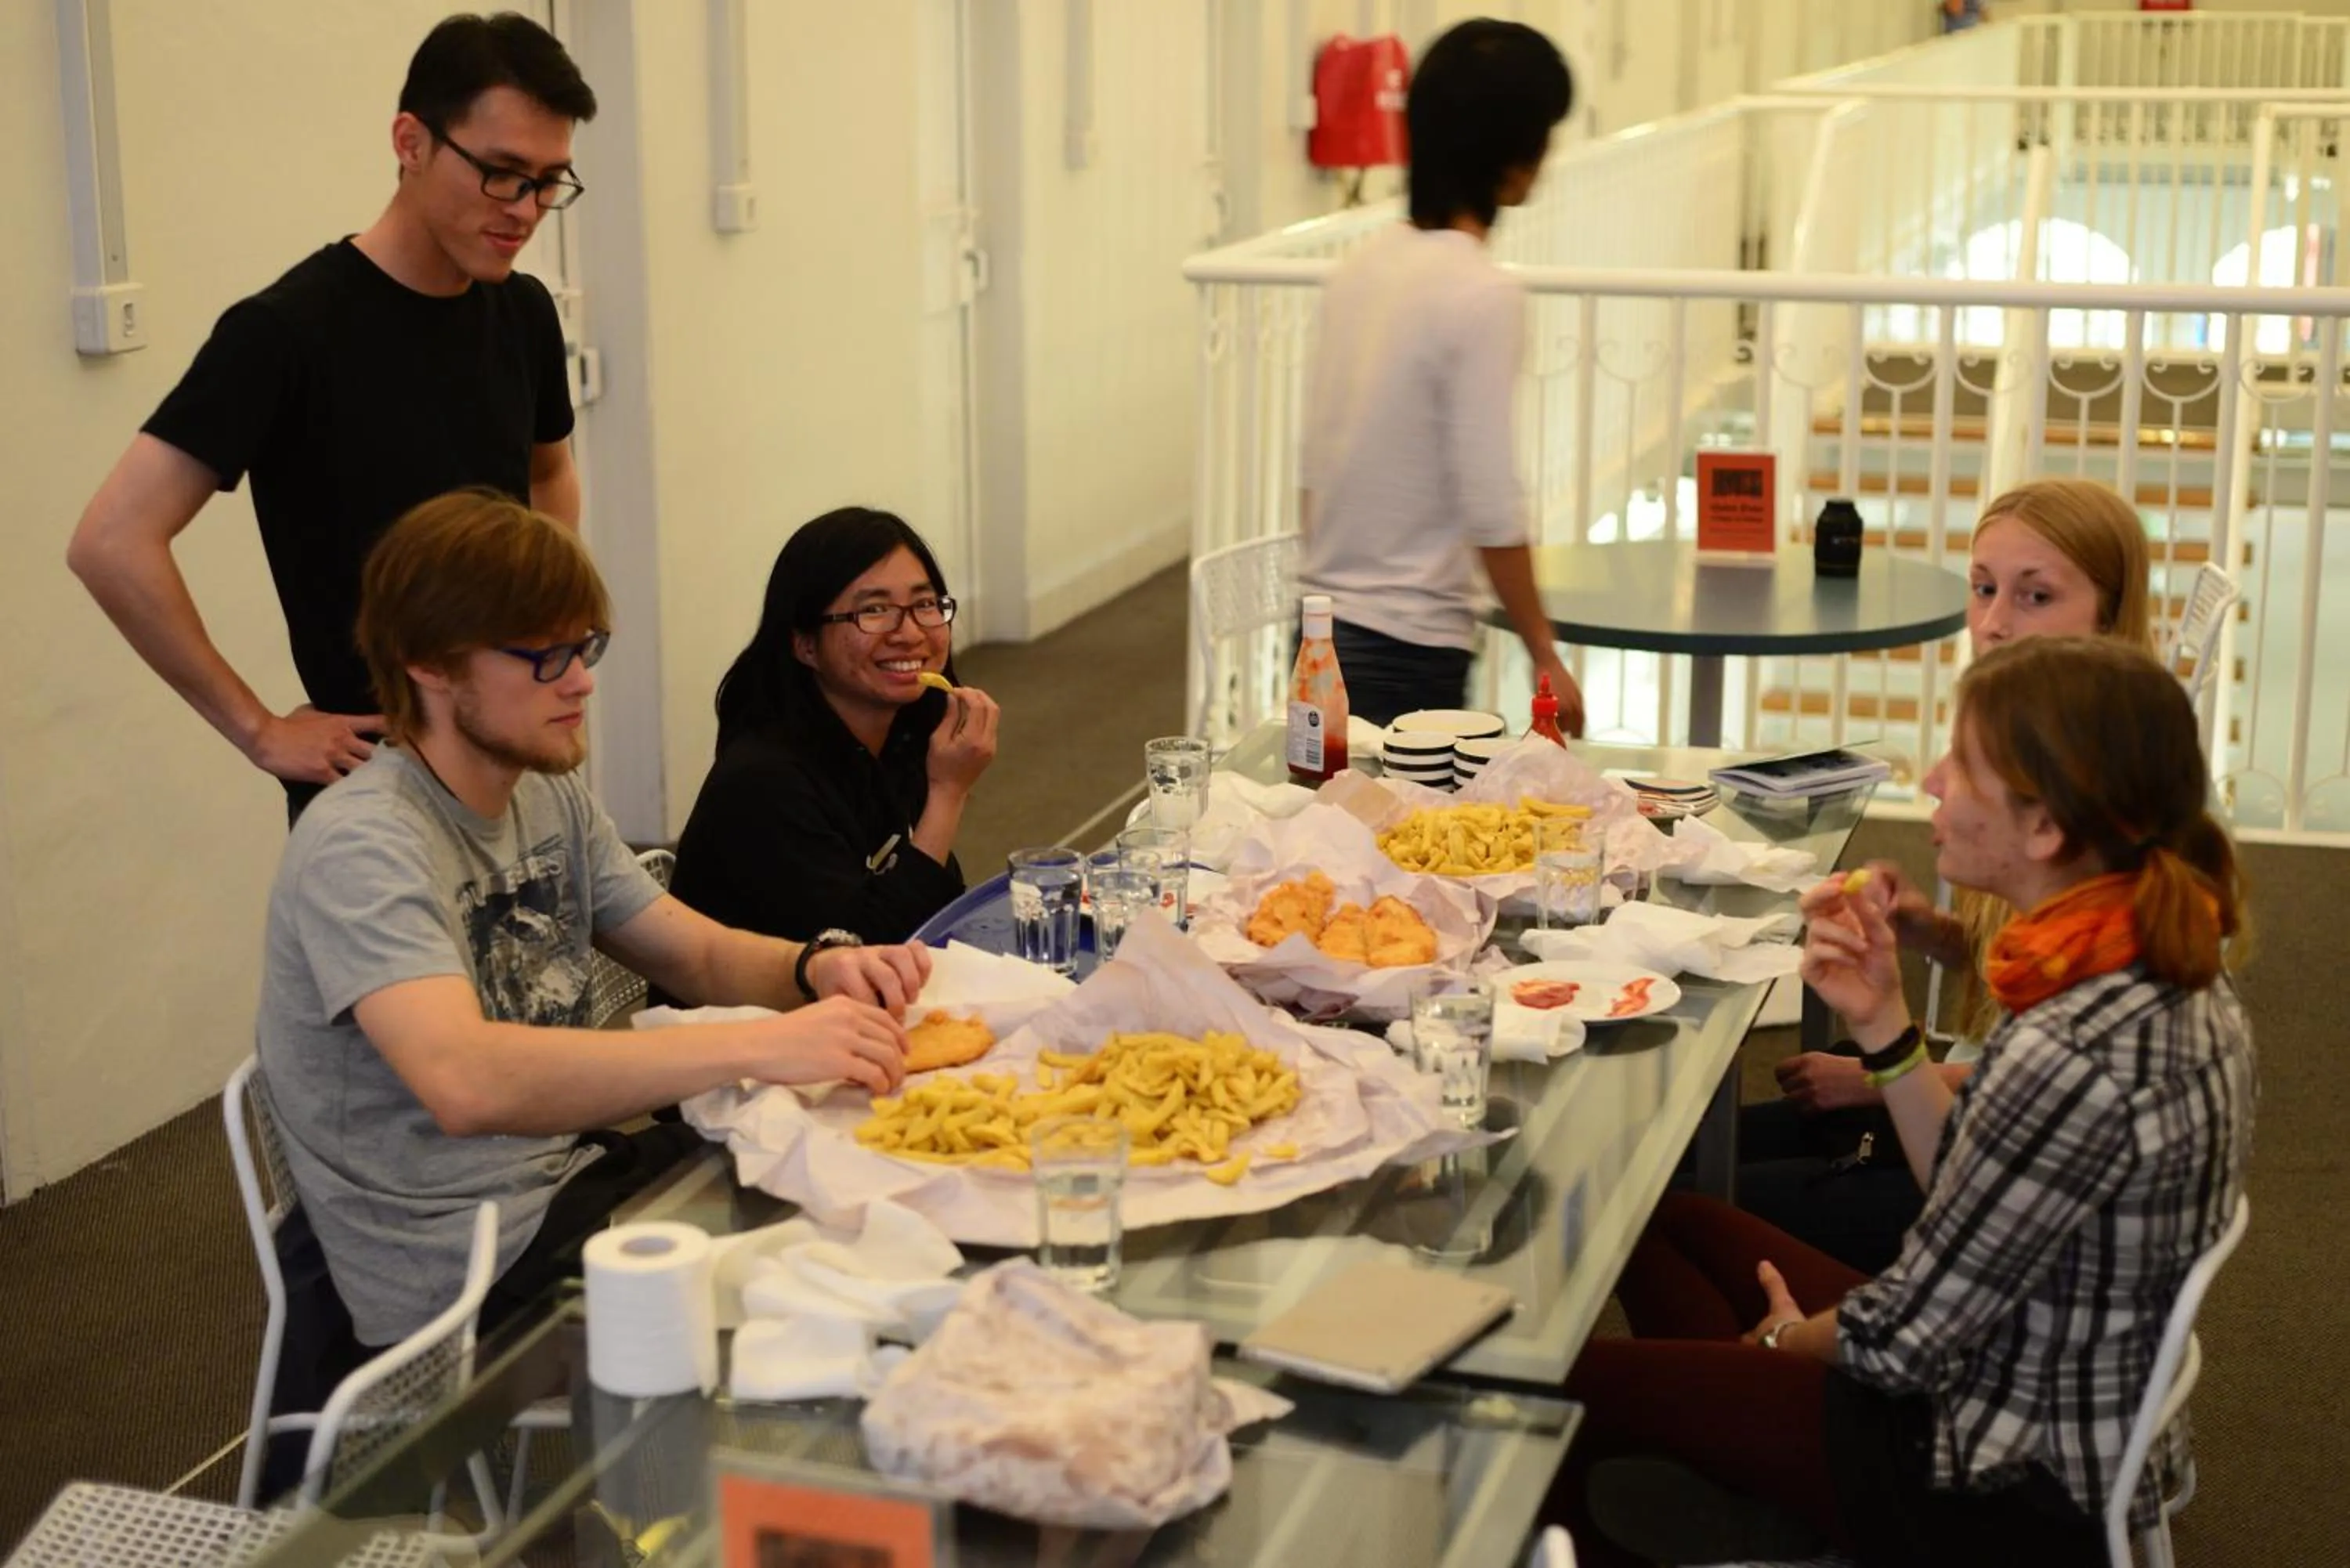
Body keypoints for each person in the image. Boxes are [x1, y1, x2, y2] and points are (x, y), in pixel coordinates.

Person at [1552, 635, 2253, 1568]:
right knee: (1668, 1215)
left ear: (2044, 827)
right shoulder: (2165, 963)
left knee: (1549, 1391)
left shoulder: (2066, 1049)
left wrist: (1780, 1344)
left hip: (1984, 1474)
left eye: (1961, 763)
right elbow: (1973, 1187)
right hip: (2046, 1377)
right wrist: (1884, 1024)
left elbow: (1903, 1340)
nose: (1931, 780)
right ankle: (1745, 1477)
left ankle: (1746, 1476)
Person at [256, 490, 927, 1401]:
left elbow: (690, 952)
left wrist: (812, 967)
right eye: (543, 656)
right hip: (468, 1269)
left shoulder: (543, 787)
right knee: (849, 1310)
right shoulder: (363, 844)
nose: (580, 681)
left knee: (889, 1201)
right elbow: (465, 1081)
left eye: (585, 648)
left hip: (571, 1186)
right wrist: (760, 1042)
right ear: (429, 666)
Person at [67, 13, 595, 823]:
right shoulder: (286, 332)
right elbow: (111, 541)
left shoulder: (522, 310)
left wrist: (538, 648)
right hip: (374, 785)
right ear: (410, 142)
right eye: (501, 173)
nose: (525, 209)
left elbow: (549, 474)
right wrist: (258, 728)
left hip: (506, 762)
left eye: (548, 182)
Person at [1736, 477, 2157, 1271]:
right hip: (1983, 1116)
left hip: (1996, 1165)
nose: (1994, 623)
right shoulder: (2047, 743)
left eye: (2035, 596)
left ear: (2109, 613)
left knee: (1686, 1202)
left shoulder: (2101, 801)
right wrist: (1930, 931)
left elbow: (2053, 1077)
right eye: (1985, 588)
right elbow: (2039, 984)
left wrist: (1884, 1067)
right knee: (1687, 1168)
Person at [1296, 19, 1586, 732]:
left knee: (1332, 836)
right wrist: (1544, 650)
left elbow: (1316, 465)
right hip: (1408, 645)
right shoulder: (1482, 293)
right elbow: (1489, 497)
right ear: (1513, 156)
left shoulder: (1359, 269)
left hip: (1316, 635)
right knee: (1405, 842)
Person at [668, 509, 1000, 946]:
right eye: (875, 610)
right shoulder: (765, 781)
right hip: (763, 1012)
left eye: (924, 604)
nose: (910, 632)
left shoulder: (900, 739)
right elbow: (869, 951)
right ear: (805, 644)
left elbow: (935, 905)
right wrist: (947, 794)